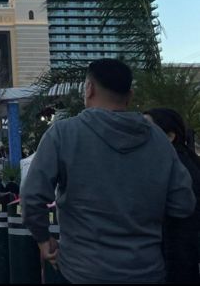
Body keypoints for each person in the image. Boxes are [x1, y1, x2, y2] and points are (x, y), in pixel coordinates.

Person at [21, 59, 196, 283]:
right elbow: (183, 204)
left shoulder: (63, 134)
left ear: (89, 88)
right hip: (147, 272)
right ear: (130, 95)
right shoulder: (159, 140)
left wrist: (44, 240)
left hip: (81, 272)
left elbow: (32, 196)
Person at [144, 108, 200, 284]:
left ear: (170, 136)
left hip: (175, 260)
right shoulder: (180, 161)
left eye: (148, 129)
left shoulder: (178, 169)